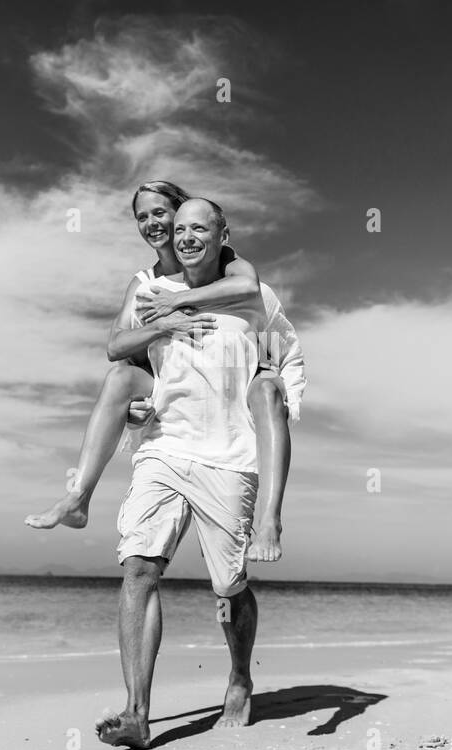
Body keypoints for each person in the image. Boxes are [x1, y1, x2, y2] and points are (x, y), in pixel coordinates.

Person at [95, 197, 301, 749]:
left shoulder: (254, 296)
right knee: (139, 566)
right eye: (178, 229)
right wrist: (140, 411)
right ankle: (137, 714)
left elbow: (288, 359)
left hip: (229, 456)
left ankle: (239, 676)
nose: (185, 237)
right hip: (164, 449)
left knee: (229, 586)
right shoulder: (151, 297)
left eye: (198, 228)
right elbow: (129, 363)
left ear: (222, 233)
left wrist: (282, 400)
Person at [24, 181, 303, 562]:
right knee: (121, 380)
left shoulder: (233, 269)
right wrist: (161, 328)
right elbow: (117, 349)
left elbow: (267, 321)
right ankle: (78, 497)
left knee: (228, 584)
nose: (153, 224)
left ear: (185, 214)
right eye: (142, 216)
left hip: (228, 423)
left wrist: (266, 369)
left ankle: (269, 522)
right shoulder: (144, 284)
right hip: (167, 414)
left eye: (161, 213)